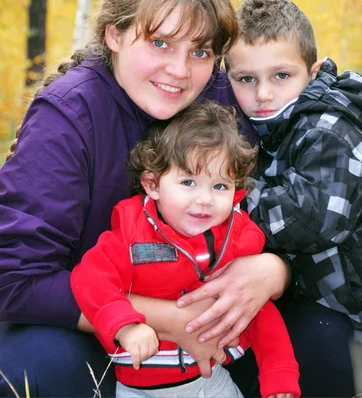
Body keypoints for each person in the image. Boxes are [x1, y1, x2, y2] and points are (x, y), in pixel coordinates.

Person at [0, 0, 289, 398]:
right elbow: (15, 281)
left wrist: (274, 270)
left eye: (200, 52)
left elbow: (289, 217)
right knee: (43, 370)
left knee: (323, 339)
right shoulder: (67, 117)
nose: (180, 70)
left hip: (208, 319)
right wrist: (171, 321)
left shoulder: (220, 101)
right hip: (89, 322)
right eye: (160, 43)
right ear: (115, 35)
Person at [225, 0, 362, 398]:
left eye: (281, 76)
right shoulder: (271, 133)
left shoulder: (327, 130)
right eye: (246, 79)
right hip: (347, 323)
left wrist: (228, 192)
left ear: (313, 71)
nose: (263, 94)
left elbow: (312, 220)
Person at [71, 101, 301, 398]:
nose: (205, 199)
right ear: (152, 184)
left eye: (219, 186)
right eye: (189, 182)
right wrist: (125, 327)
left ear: (236, 193)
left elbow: (258, 311)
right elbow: (90, 281)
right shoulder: (132, 234)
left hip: (211, 382)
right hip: (138, 388)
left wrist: (278, 372)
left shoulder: (238, 239)